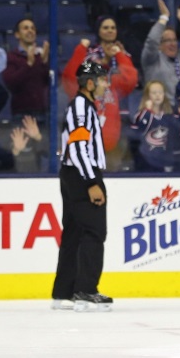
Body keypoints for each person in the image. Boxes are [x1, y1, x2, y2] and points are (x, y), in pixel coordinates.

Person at [52, 61, 113, 313]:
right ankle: (86, 291)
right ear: (90, 83)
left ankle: (63, 292)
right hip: (81, 174)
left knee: (74, 232)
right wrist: (91, 182)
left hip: (74, 173)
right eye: (102, 80)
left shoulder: (84, 105)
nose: (105, 84)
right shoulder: (81, 106)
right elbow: (78, 147)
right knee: (94, 231)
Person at [62, 16, 139, 170]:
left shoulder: (119, 63)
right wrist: (80, 50)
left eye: (112, 27)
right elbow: (70, 77)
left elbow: (130, 79)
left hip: (112, 140)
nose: (110, 31)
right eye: (105, 27)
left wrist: (119, 55)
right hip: (86, 144)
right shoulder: (87, 58)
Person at [142, 0, 180, 105]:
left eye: (174, 40)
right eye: (167, 40)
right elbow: (152, 41)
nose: (173, 43)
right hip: (160, 110)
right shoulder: (152, 59)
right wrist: (164, 17)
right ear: (159, 45)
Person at [131, 80, 180, 172]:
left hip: (168, 160)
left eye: (160, 92)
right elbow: (140, 130)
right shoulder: (140, 115)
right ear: (147, 96)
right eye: (154, 93)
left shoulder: (171, 115)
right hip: (147, 160)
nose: (157, 95)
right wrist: (148, 111)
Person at [2, 18, 50, 121]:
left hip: (41, 113)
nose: (30, 31)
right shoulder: (11, 57)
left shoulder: (41, 56)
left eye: (33, 28)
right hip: (20, 114)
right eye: (26, 28)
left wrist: (45, 62)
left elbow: (53, 81)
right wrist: (28, 64)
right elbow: (11, 83)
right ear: (17, 34)